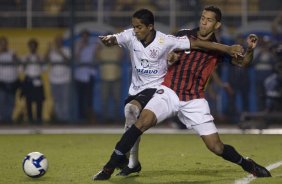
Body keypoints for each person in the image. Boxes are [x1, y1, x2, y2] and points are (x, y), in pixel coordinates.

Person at [93, 6, 271, 180]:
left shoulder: (218, 48)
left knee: (216, 147)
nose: (204, 23)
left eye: (209, 20)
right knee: (141, 122)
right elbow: (165, 50)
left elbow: (243, 63)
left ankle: (249, 165)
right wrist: (170, 57)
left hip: (194, 99)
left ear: (217, 25)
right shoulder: (182, 34)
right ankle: (109, 167)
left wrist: (250, 50)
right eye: (202, 18)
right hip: (169, 91)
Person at [95, 32, 124, 123]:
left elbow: (121, 57)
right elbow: (96, 58)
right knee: (104, 100)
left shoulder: (117, 48)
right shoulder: (101, 49)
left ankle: (116, 120)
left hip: (116, 77)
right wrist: (98, 48)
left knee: (116, 100)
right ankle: (104, 120)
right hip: (105, 77)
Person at [45, 35, 71, 122]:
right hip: (54, 79)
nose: (58, 43)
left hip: (65, 79)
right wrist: (48, 50)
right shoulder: (51, 51)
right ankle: (59, 118)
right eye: (57, 41)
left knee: (65, 100)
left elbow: (68, 61)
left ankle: (65, 119)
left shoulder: (67, 50)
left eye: (60, 41)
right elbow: (44, 61)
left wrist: (60, 52)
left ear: (62, 42)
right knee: (56, 100)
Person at [21, 38, 46, 123]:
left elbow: (44, 69)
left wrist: (39, 61)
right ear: (29, 47)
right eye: (31, 46)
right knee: (28, 101)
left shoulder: (40, 57)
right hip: (29, 81)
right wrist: (26, 62)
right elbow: (21, 69)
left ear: (36, 47)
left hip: (38, 80)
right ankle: (30, 119)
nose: (32, 48)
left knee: (39, 101)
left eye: (34, 46)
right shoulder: (25, 57)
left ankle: (39, 119)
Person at [74, 30, 97, 122]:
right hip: (79, 75)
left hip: (89, 74)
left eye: (86, 36)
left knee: (89, 98)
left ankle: (89, 117)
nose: (85, 38)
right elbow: (76, 59)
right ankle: (80, 117)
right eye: (83, 36)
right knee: (80, 98)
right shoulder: (77, 45)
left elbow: (94, 58)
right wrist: (80, 48)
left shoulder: (92, 46)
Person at [0, 36, 20, 123]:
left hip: (12, 80)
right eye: (2, 43)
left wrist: (15, 58)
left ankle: (8, 119)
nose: (4, 45)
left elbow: (18, 64)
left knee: (11, 102)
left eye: (5, 43)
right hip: (2, 81)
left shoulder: (12, 52)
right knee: (2, 101)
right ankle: (1, 119)